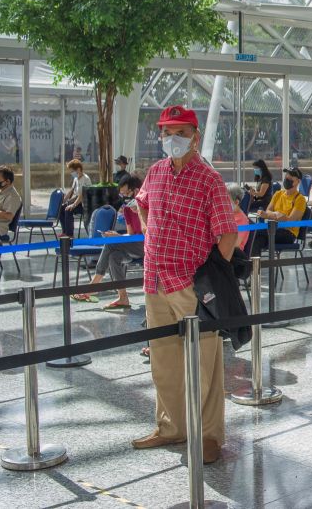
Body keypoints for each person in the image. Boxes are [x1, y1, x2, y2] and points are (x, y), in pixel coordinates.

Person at [132, 105, 238, 465]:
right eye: (165, 132)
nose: (171, 139)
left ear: (195, 135)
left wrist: (208, 277)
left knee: (204, 362)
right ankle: (171, 427)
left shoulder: (208, 179)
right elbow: (141, 202)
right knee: (163, 359)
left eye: (179, 132)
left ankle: (209, 435)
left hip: (188, 282)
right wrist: (149, 233)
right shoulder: (156, 172)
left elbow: (227, 233)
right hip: (155, 279)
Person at [72, 174, 145, 307]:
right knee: (114, 256)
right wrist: (118, 235)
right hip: (134, 246)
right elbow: (131, 234)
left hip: (148, 247)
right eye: (121, 194)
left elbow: (147, 232)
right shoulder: (128, 209)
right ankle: (123, 297)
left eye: (126, 193)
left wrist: (139, 211)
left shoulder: (147, 207)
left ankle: (93, 287)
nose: (124, 197)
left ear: (135, 191)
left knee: (111, 245)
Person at [250, 168, 306, 256]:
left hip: (288, 233)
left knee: (255, 232)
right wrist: (277, 215)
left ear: (298, 181)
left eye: (290, 179)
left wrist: (271, 215)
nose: (287, 179)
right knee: (257, 240)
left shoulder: (300, 199)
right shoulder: (278, 194)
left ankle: (251, 267)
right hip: (273, 229)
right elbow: (268, 211)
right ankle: (254, 267)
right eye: (286, 177)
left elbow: (289, 220)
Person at [59, 159, 91, 238]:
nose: (71, 173)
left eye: (72, 171)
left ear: (78, 169)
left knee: (68, 209)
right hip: (77, 202)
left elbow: (81, 195)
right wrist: (64, 200)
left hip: (83, 205)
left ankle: (69, 234)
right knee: (61, 208)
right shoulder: (76, 179)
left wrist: (73, 205)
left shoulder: (85, 179)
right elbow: (71, 190)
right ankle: (64, 231)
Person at [0, 165, 22, 242]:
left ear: (7, 181)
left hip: (0, 229)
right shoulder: (1, 192)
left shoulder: (13, 196)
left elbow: (9, 216)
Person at [227, 184, 251, 251]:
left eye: (227, 201)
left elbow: (235, 244)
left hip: (233, 254)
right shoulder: (228, 215)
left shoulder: (242, 220)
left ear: (236, 202)